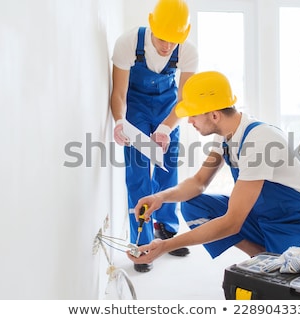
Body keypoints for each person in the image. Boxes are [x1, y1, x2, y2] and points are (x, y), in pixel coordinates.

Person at [127, 71, 300, 266]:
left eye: (193, 115)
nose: (189, 121)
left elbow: (232, 223)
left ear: (214, 115)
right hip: (260, 215)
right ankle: (262, 256)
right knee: (192, 204)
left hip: (293, 221)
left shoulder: (259, 140)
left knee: (287, 276)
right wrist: (160, 197)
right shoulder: (225, 135)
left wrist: (165, 246)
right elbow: (198, 183)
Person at [110, 0, 198, 273]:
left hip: (168, 111)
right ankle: (141, 243)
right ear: (151, 24)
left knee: (168, 168)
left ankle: (167, 229)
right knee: (138, 175)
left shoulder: (188, 51)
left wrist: (166, 127)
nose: (167, 46)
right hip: (134, 110)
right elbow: (119, 94)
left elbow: (184, 100)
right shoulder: (127, 44)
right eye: (162, 39)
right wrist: (119, 122)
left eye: (174, 41)